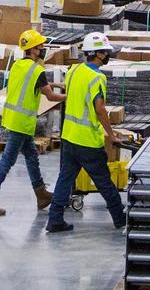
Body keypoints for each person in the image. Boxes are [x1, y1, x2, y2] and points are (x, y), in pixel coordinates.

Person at [0, 29, 67, 216]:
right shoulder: (37, 70)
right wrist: (72, 96)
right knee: (7, 161)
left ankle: (41, 195)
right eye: (40, 46)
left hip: (13, 119)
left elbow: (36, 85)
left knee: (32, 157)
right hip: (22, 123)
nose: (43, 49)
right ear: (33, 50)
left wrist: (56, 85)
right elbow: (50, 96)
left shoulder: (18, 65)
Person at [45, 31, 127, 233]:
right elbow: (100, 109)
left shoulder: (74, 70)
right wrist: (111, 135)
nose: (108, 55)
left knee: (65, 180)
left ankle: (54, 219)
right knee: (104, 181)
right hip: (87, 141)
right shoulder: (97, 77)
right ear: (98, 54)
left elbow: (72, 93)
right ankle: (120, 218)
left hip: (69, 137)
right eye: (106, 52)